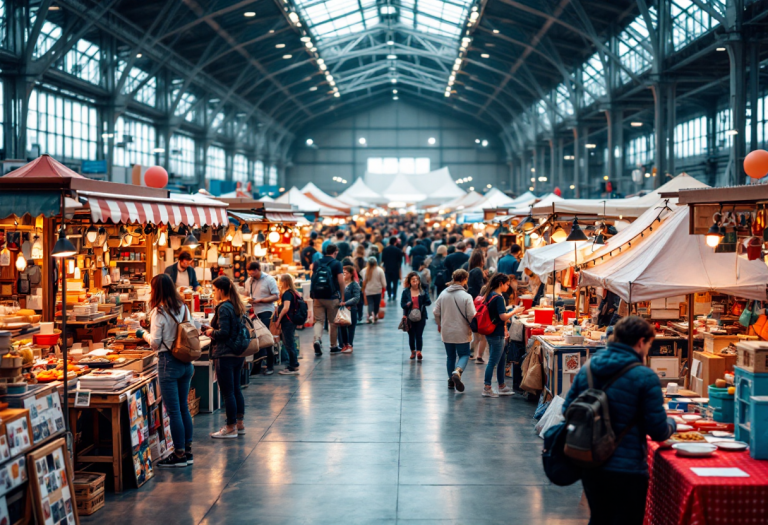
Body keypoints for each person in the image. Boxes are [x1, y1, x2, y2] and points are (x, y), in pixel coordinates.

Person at [562, 316, 675, 525]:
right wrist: (673, 425)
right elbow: (658, 431)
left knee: (599, 518)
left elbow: (567, 409)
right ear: (641, 342)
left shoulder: (589, 367)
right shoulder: (645, 376)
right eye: (649, 344)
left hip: (591, 461)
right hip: (628, 468)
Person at [137, 274, 194, 467]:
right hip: (186, 363)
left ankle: (178, 455)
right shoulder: (184, 307)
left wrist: (141, 333)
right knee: (184, 408)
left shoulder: (158, 312)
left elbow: (154, 344)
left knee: (174, 411)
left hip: (168, 363)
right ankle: (187, 451)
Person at [203, 276, 248, 439]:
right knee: (236, 389)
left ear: (221, 290)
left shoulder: (223, 308)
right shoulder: (237, 305)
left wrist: (210, 332)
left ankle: (230, 427)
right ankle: (240, 423)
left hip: (225, 354)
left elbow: (223, 333)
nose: (214, 293)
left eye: (214, 290)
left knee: (228, 392)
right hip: (237, 354)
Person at [432, 269, 476, 392]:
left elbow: (435, 311)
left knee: (450, 356)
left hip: (447, 331)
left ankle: (450, 381)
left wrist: (440, 323)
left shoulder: (443, 294)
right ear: (464, 280)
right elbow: (472, 315)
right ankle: (457, 371)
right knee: (464, 354)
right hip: (461, 331)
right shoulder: (466, 296)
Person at [480, 273, 524, 397]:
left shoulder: (490, 295)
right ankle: (487, 387)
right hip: (496, 333)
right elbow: (502, 316)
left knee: (500, 359)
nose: (508, 287)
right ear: (501, 283)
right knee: (494, 360)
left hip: (492, 331)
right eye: (507, 284)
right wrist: (514, 311)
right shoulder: (498, 297)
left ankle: (501, 386)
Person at [310, 243, 346, 356]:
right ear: (335, 252)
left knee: (319, 321)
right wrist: (343, 296)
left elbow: (312, 278)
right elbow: (341, 281)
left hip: (318, 297)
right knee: (333, 322)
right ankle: (333, 346)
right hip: (332, 297)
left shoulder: (317, 263)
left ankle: (317, 339)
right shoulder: (337, 264)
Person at [244, 261, 278, 375]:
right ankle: (257, 365)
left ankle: (270, 365)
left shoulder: (269, 280)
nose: (251, 276)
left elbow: (276, 296)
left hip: (266, 311)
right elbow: (246, 294)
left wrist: (261, 300)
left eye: (253, 273)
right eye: (249, 273)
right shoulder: (249, 281)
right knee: (255, 338)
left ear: (258, 269)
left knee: (265, 337)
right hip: (253, 312)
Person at [401, 271, 431, 361]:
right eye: (413, 280)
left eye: (417, 280)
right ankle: (413, 351)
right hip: (410, 316)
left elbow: (428, 301)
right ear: (409, 281)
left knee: (419, 334)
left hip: (421, 316)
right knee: (411, 335)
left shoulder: (422, 291)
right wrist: (407, 305)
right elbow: (402, 304)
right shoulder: (406, 292)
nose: (415, 282)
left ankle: (419, 351)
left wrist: (423, 302)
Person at [275, 274, 300, 375]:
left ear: (284, 282)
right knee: (289, 342)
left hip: (288, 321)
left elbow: (286, 308)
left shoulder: (287, 294)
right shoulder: (293, 292)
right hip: (291, 321)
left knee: (288, 343)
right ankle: (293, 364)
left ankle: (293, 365)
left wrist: (278, 319)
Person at [338, 265, 361, 353]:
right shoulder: (340, 284)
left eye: (346, 273)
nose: (344, 275)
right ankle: (343, 344)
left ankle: (350, 344)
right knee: (342, 327)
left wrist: (346, 303)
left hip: (351, 308)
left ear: (351, 274)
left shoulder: (354, 285)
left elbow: (356, 297)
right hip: (341, 308)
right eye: (343, 273)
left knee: (351, 327)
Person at [362, 257, 387, 324]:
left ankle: (370, 316)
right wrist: (384, 287)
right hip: (377, 290)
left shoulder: (364, 271)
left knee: (370, 304)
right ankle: (375, 315)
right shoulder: (380, 270)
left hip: (368, 290)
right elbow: (384, 283)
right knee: (376, 304)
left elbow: (363, 281)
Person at [381, 237, 404, 302]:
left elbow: (383, 259)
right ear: (395, 242)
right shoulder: (398, 250)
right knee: (395, 283)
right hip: (395, 268)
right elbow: (400, 261)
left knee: (388, 282)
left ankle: (389, 294)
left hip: (387, 268)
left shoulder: (385, 249)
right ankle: (394, 295)